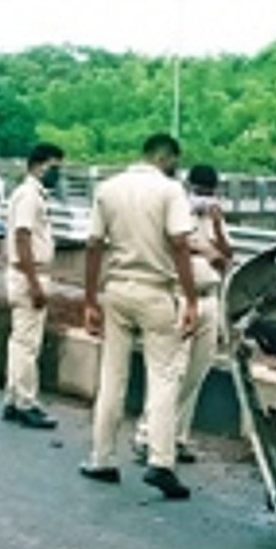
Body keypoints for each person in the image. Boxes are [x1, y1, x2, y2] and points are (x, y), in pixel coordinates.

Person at [79, 133, 198, 500]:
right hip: (154, 291)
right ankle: (161, 461)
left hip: (116, 289)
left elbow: (93, 245)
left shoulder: (108, 188)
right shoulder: (169, 191)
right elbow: (180, 244)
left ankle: (102, 458)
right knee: (162, 378)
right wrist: (191, 298)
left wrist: (89, 300)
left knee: (112, 376)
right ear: (167, 157)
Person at [132, 163, 233, 463]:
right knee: (172, 372)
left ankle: (176, 436)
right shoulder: (176, 210)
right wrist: (204, 250)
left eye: (209, 193)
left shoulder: (214, 216)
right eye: (201, 192)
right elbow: (172, 246)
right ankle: (147, 434)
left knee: (196, 372)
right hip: (179, 297)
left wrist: (216, 226)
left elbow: (227, 254)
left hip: (209, 297)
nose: (205, 198)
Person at [1, 142, 63, 429]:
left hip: (25, 273)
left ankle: (14, 399)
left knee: (19, 342)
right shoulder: (29, 196)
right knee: (28, 344)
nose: (57, 173)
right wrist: (34, 282)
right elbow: (22, 237)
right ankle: (26, 402)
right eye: (54, 167)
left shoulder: (30, 194)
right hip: (30, 273)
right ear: (38, 166)